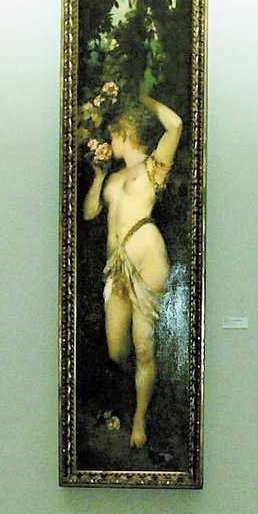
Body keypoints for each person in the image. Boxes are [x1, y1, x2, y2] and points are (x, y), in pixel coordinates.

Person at [82, 94, 181, 448]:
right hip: (117, 267)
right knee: (116, 349)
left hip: (146, 257)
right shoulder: (112, 178)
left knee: (144, 346)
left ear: (125, 133)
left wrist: (142, 98)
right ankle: (133, 397)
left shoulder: (153, 168)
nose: (110, 143)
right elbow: (90, 214)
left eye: (113, 135)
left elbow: (175, 125)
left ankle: (139, 420)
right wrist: (98, 177)